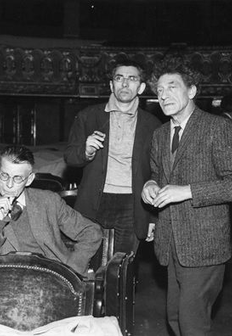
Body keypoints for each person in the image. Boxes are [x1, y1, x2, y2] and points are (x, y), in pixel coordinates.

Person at [141, 58, 232, 336]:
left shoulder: (217, 128)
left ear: (192, 91)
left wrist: (187, 191)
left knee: (192, 323)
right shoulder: (160, 134)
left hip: (204, 245)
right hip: (171, 244)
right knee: (176, 318)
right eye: (160, 90)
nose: (163, 95)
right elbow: (157, 173)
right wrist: (150, 185)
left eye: (171, 87)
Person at [64, 59, 161, 256]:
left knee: (122, 267)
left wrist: (152, 218)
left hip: (133, 203)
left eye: (132, 79)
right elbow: (70, 158)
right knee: (88, 264)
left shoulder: (153, 124)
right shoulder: (88, 116)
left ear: (141, 87)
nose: (125, 84)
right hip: (94, 199)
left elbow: (158, 171)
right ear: (111, 85)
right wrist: (86, 151)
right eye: (119, 78)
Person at [0, 145, 102, 277]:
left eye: (18, 178)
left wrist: (72, 269)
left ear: (29, 179)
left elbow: (91, 232)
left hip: (53, 280)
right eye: (4, 175)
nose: (9, 185)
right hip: (5, 282)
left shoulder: (49, 201)